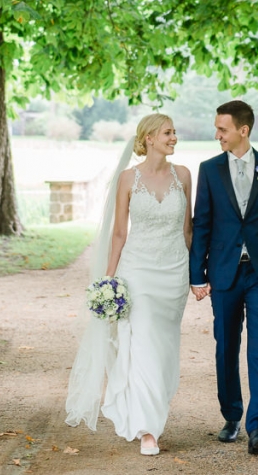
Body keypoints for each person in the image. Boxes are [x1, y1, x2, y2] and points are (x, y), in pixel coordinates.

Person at [65, 114, 192, 456]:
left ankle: (152, 410)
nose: (174, 138)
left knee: (164, 351)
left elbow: (188, 231)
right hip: (139, 272)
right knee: (144, 346)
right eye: (168, 132)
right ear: (149, 138)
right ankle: (148, 429)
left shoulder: (183, 176)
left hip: (174, 272)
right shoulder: (126, 179)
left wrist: (197, 276)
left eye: (174, 132)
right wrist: (109, 280)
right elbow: (119, 232)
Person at [189, 100, 258, 455]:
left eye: (222, 129)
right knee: (226, 348)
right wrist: (197, 274)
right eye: (217, 129)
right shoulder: (209, 169)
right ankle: (232, 415)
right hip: (224, 273)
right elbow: (201, 223)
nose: (217, 134)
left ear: (242, 130)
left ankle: (257, 427)